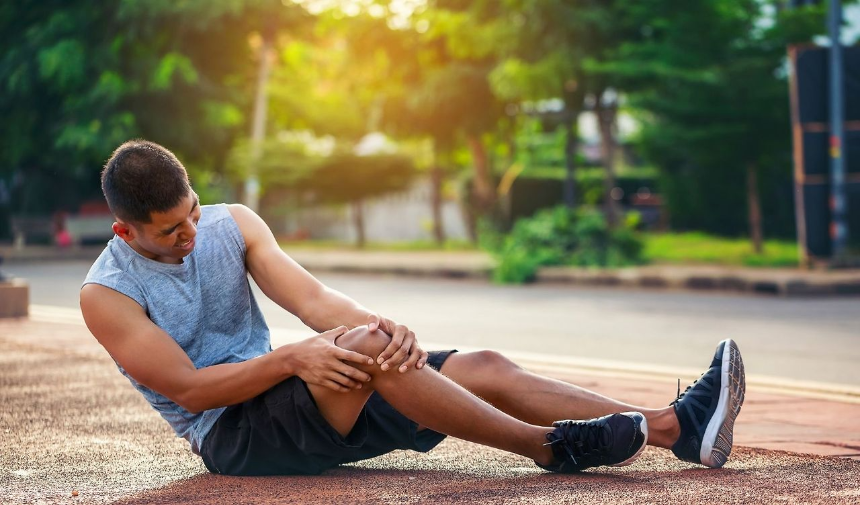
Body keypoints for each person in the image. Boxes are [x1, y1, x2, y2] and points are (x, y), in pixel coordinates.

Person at [80, 140, 746, 476]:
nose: (191, 233)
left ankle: (675, 429)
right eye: (171, 230)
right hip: (235, 434)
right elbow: (191, 390)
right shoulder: (106, 293)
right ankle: (549, 448)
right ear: (126, 231)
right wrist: (292, 360)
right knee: (364, 351)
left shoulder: (234, 224)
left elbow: (313, 300)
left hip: (303, 395)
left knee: (480, 364)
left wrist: (380, 327)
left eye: (194, 212)